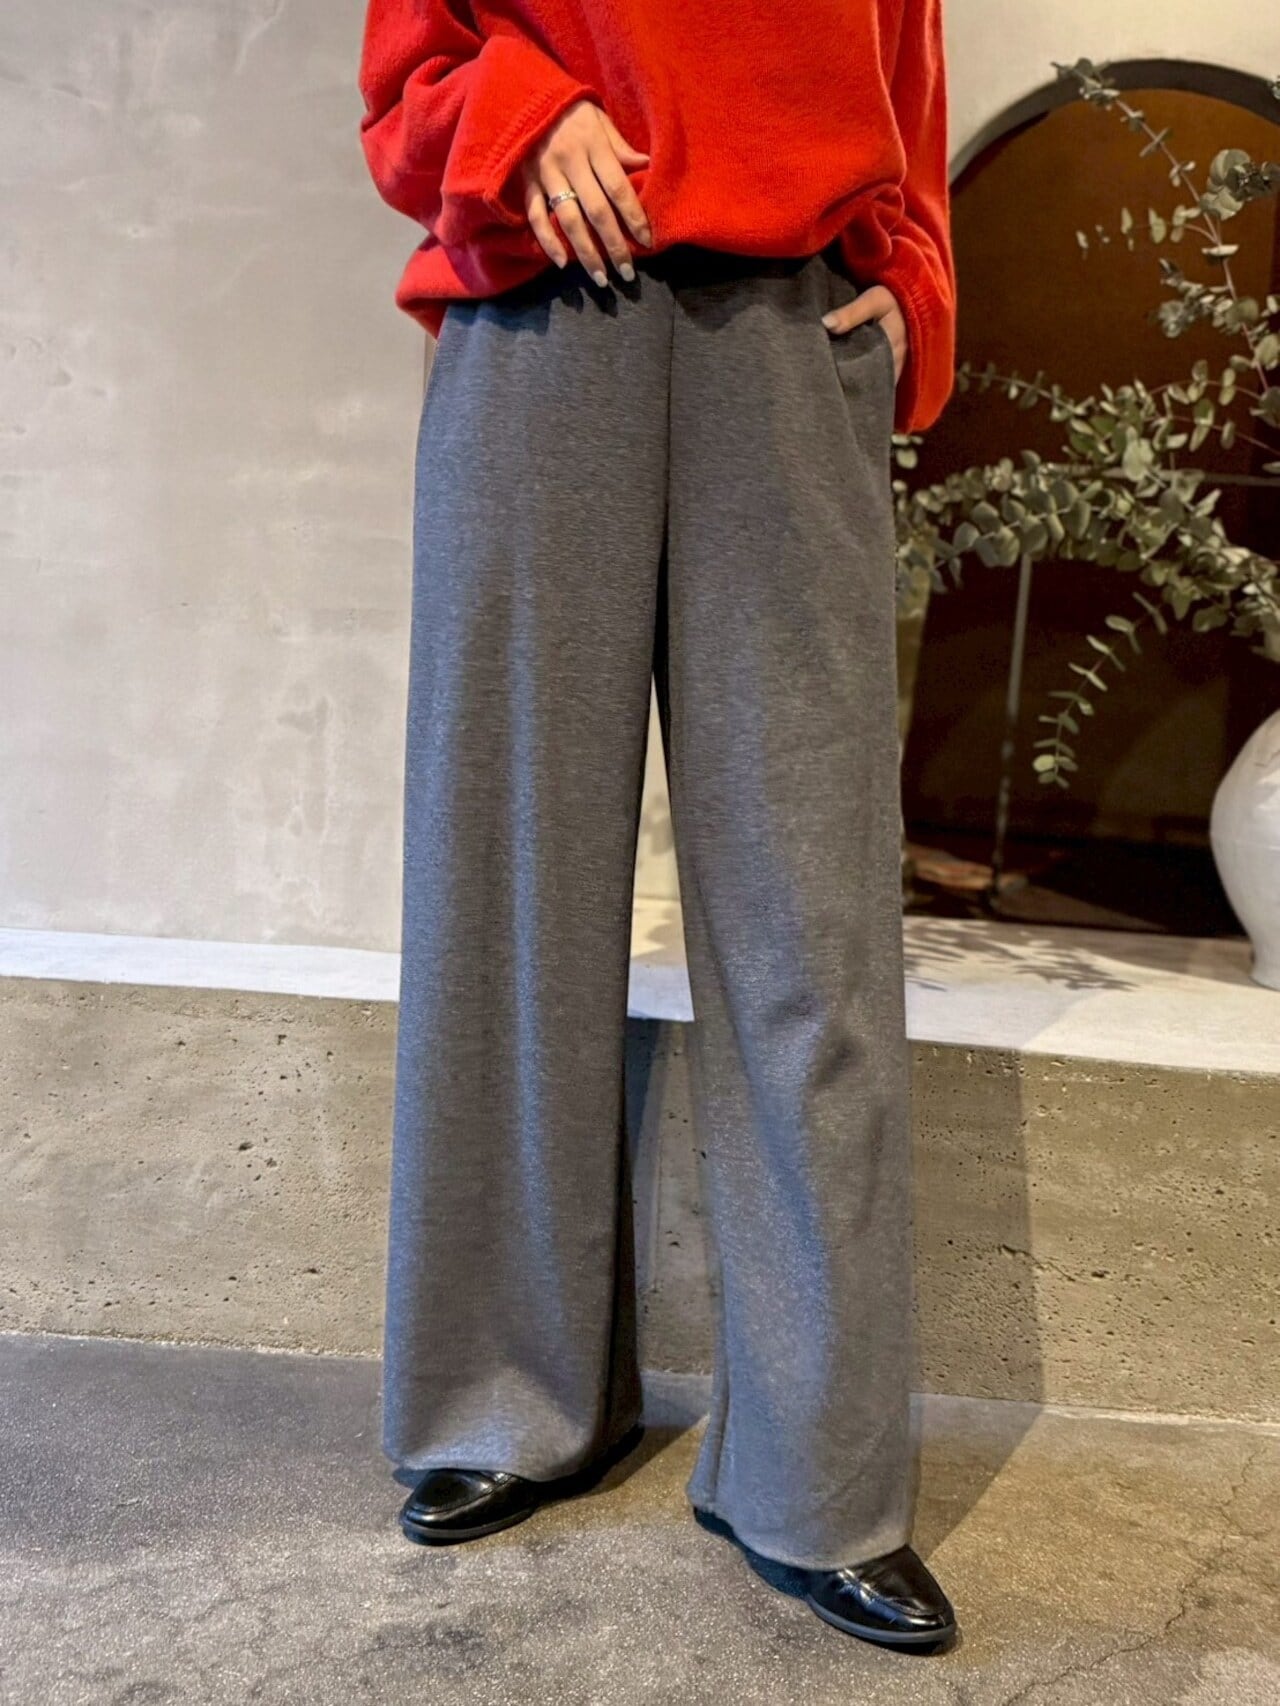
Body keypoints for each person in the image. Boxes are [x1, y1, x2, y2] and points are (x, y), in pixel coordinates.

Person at [356, 0, 958, 1653]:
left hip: (795, 326)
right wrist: (516, 114)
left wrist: (917, 283)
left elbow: (905, 58)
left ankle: (821, 1480)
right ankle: (504, 1397)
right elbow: (407, 75)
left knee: (811, 918)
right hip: (540, 307)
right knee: (507, 884)